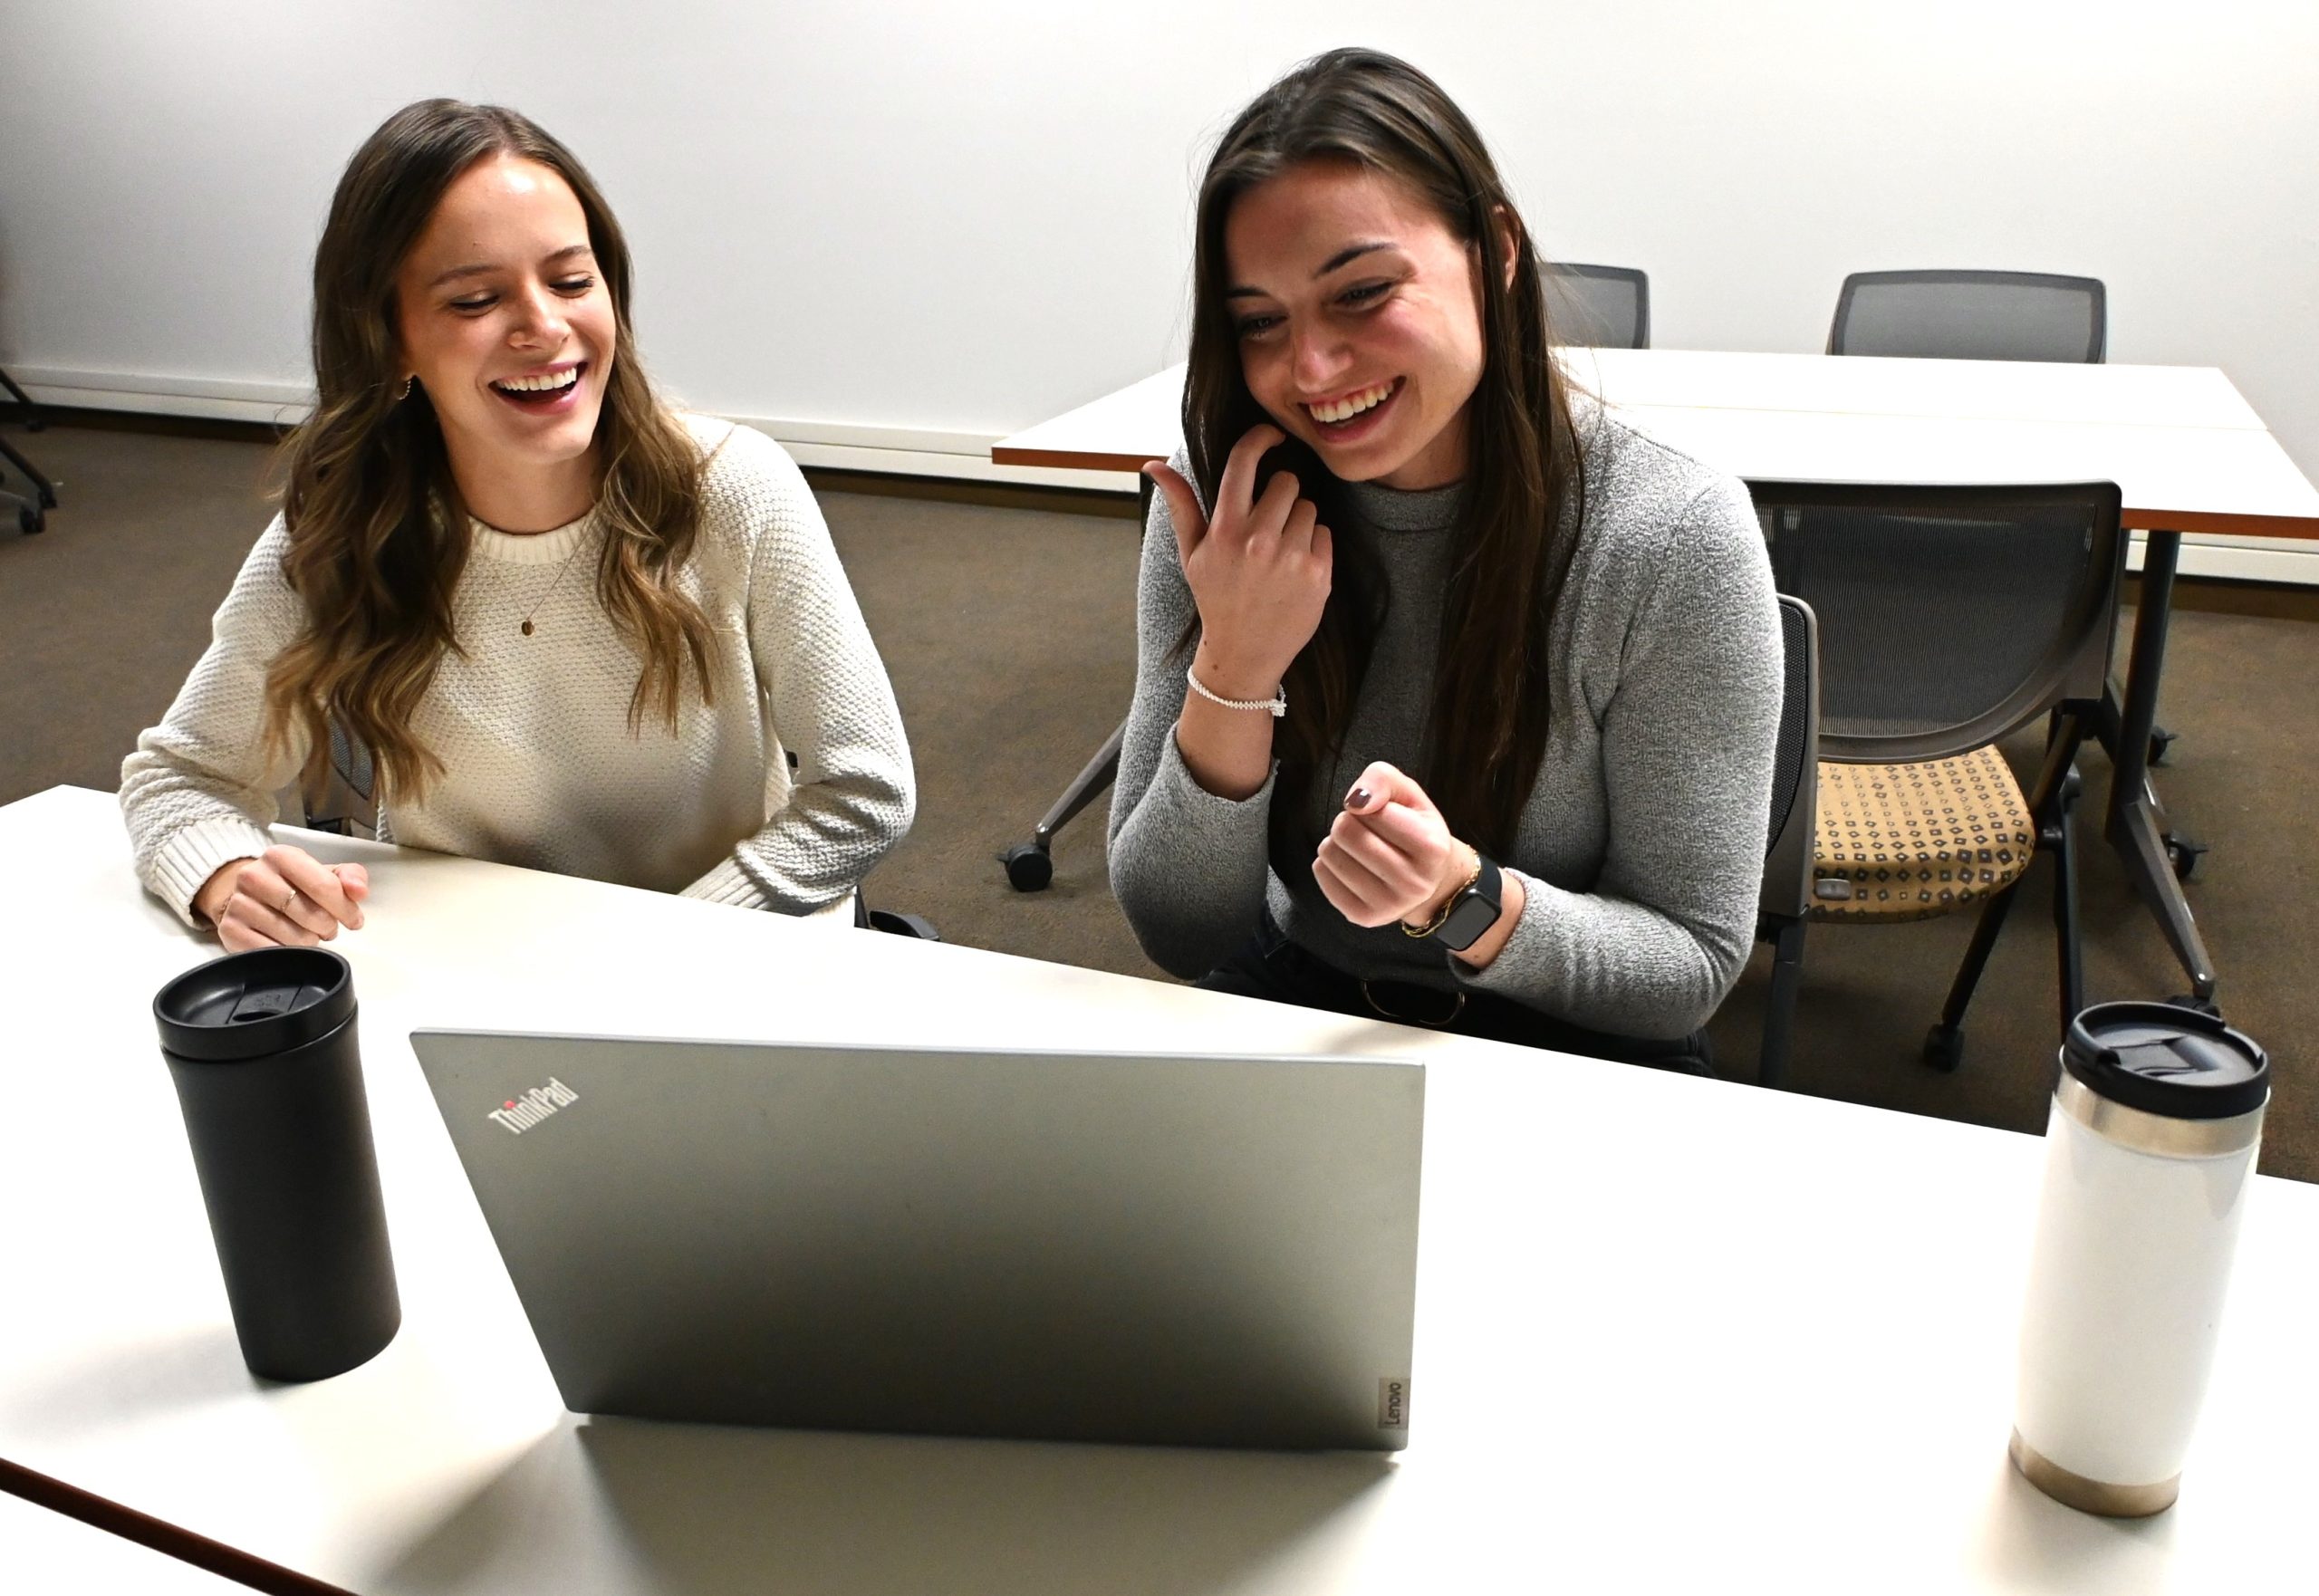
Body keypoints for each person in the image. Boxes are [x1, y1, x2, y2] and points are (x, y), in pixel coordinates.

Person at [1107, 49, 1780, 1072]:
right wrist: (1234, 671)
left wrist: (1462, 899)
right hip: (1303, 1016)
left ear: (1493, 252)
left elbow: (1688, 963)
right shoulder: (1232, 507)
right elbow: (1181, 934)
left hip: (1566, 1050)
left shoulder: (1669, 536)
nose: (1312, 370)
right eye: (1258, 323)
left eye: (1362, 292)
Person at [121, 100, 913, 949]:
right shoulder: (346, 525)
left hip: (722, 958)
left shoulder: (734, 489)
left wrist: (674, 942)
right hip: (480, 966)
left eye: (572, 282)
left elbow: (864, 788)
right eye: (475, 300)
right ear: (389, 339)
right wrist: (223, 873)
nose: (544, 326)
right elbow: (179, 780)